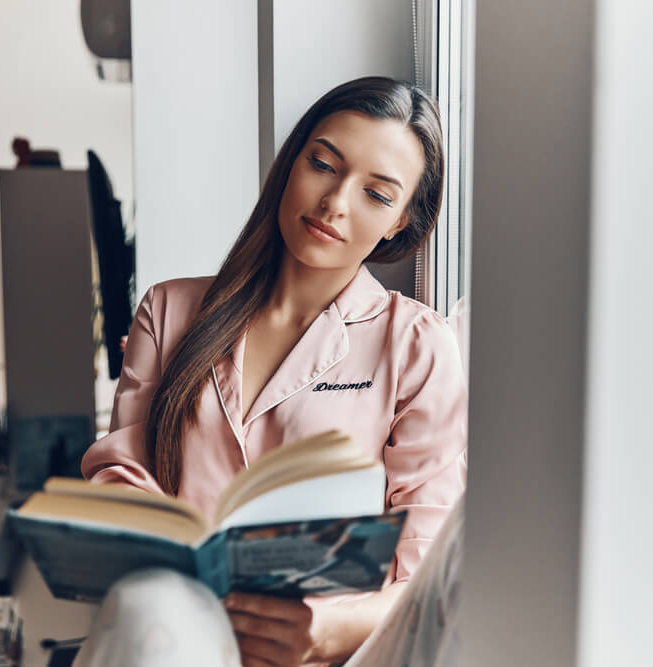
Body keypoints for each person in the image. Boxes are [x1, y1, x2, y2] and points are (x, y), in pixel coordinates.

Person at [77, 76, 467, 666]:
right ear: (292, 165)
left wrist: (327, 628)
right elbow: (123, 473)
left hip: (320, 651)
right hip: (172, 631)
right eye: (324, 164)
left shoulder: (416, 347)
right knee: (149, 607)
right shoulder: (169, 311)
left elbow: (427, 570)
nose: (336, 202)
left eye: (377, 195)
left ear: (400, 224)